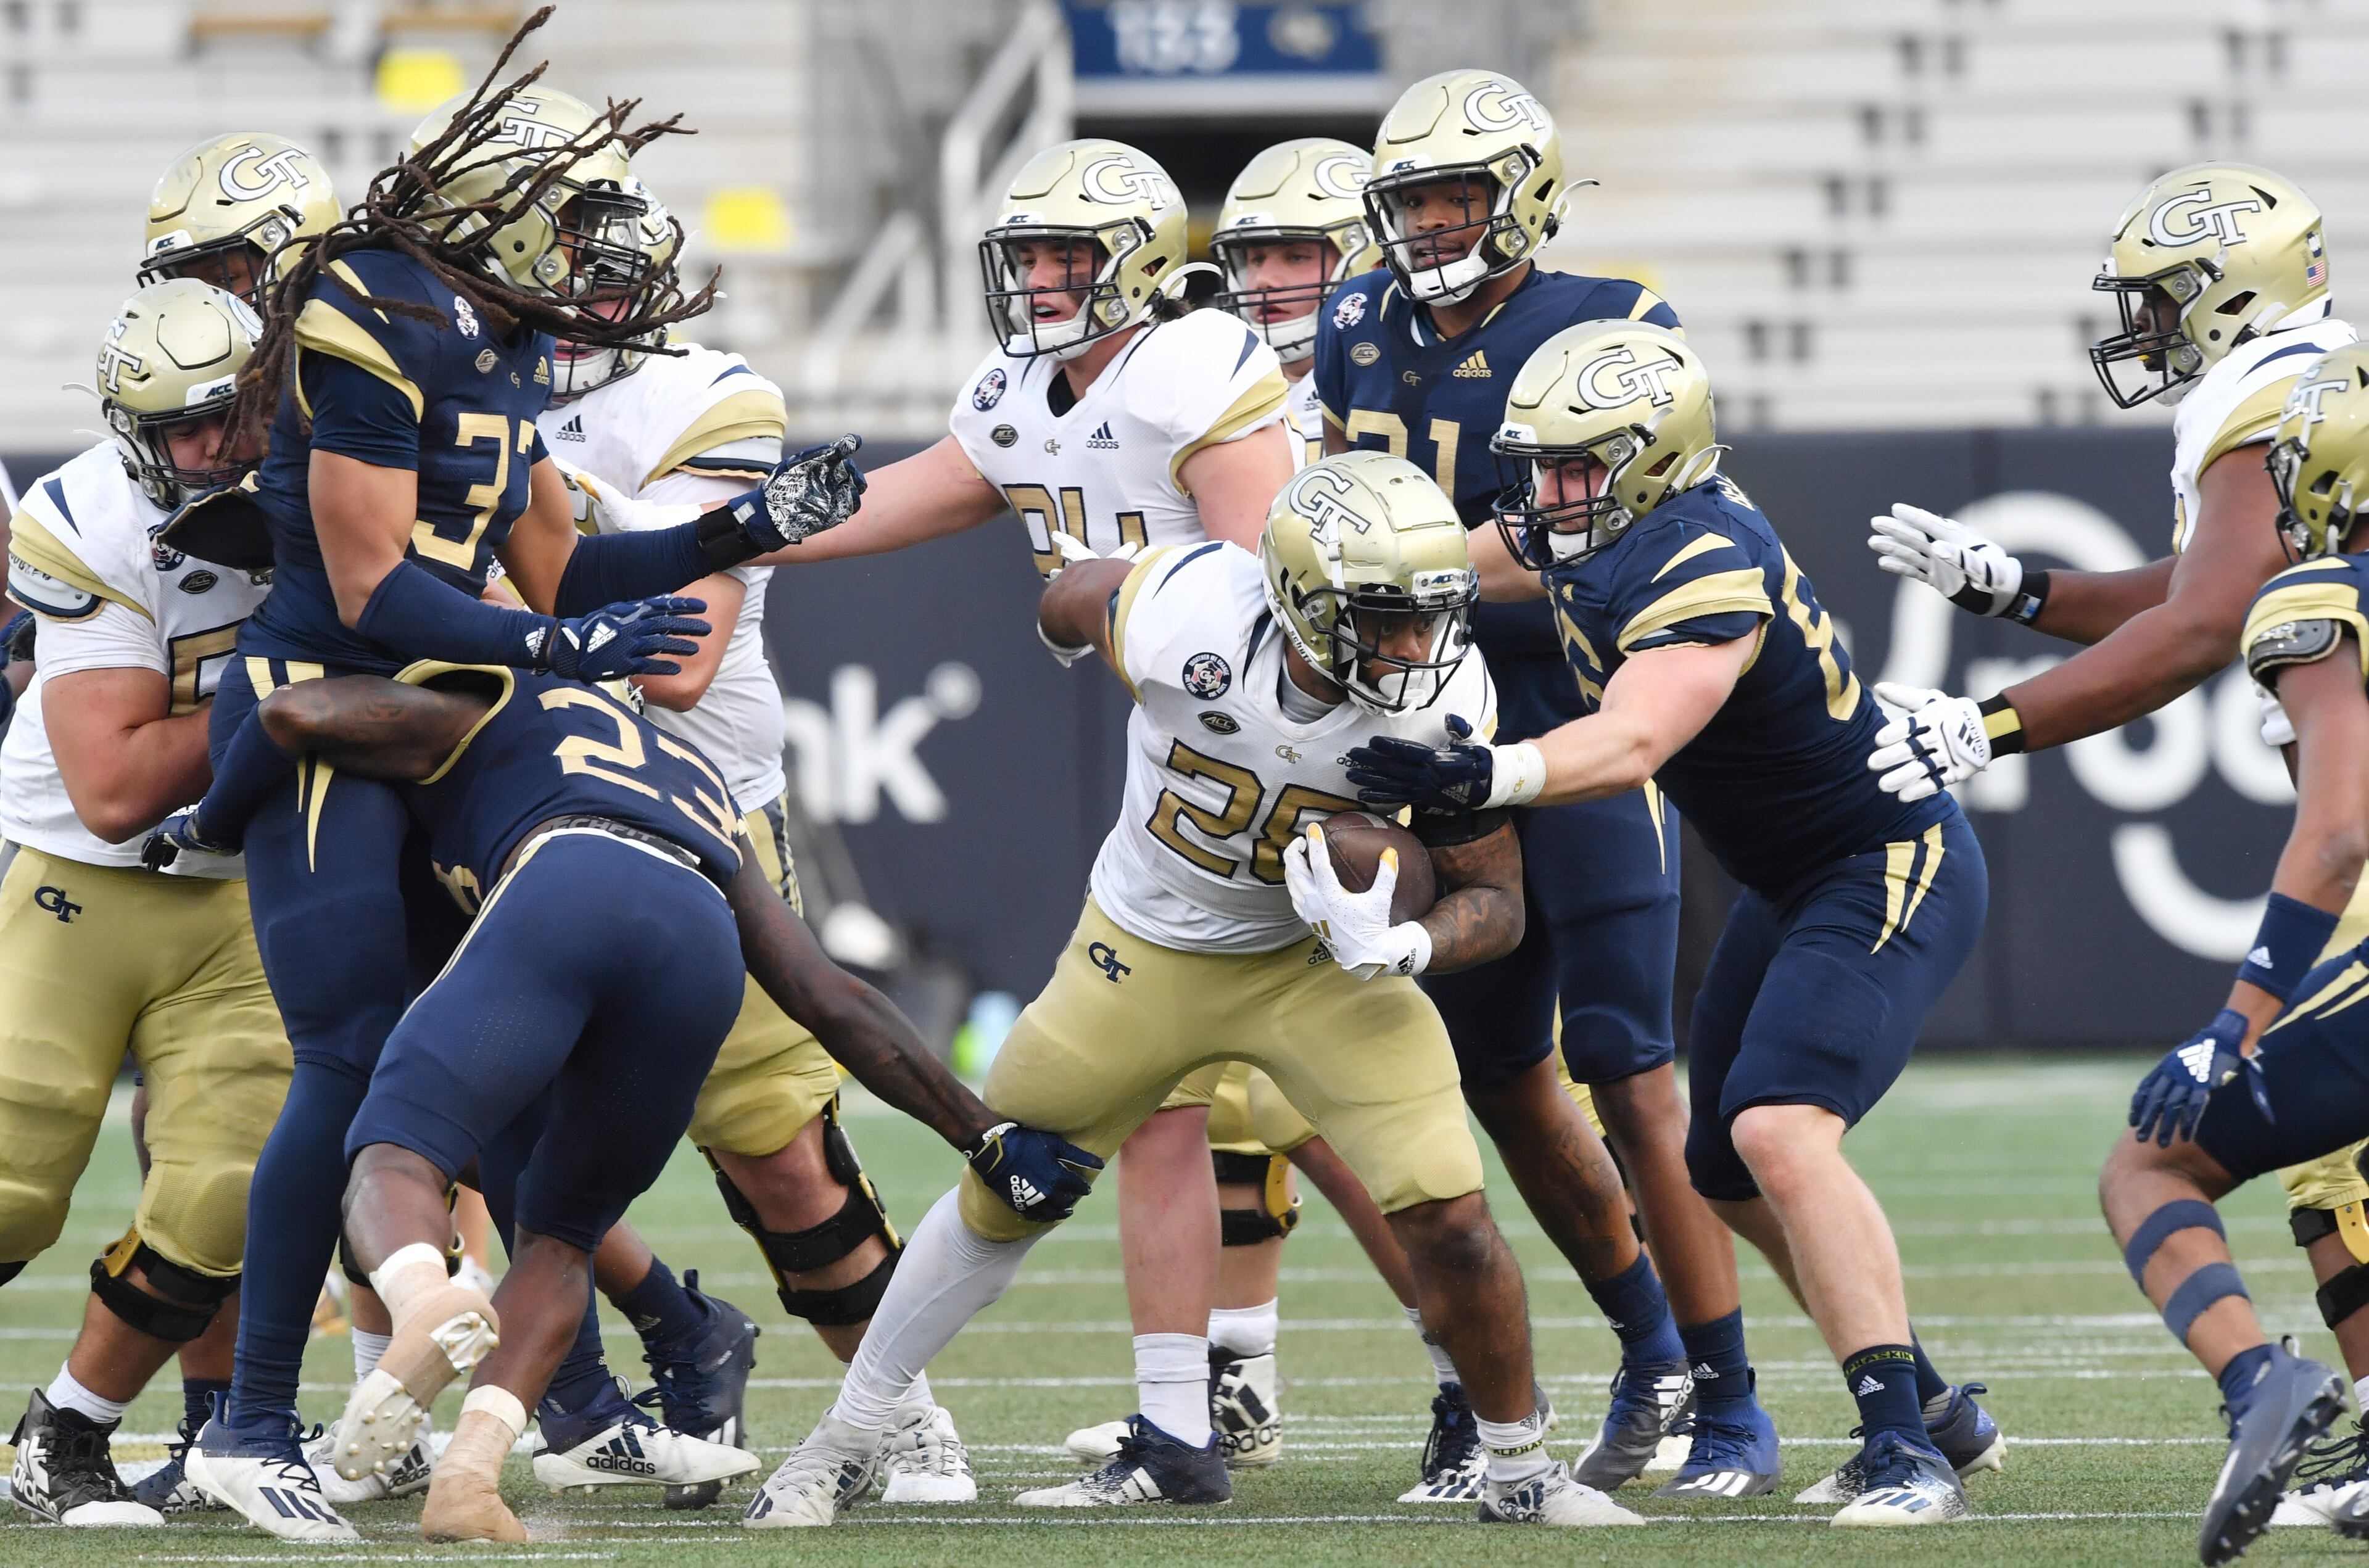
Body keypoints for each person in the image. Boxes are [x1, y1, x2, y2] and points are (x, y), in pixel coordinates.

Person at [166, 40, 862, 1538]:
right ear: (498, 210)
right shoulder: (361, 307)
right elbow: (369, 589)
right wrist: (557, 642)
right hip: (329, 713)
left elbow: (558, 566)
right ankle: (251, 1420)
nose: (592, 248)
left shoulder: (488, 341)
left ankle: (573, 1390)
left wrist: (728, 533)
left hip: (438, 720)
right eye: (570, 213)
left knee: (477, 1082)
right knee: (353, 1060)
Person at [745, 452, 1641, 1528]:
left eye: (1429, 617)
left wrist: (1403, 943)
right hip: (1148, 947)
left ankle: (1517, 1468)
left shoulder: (1441, 692)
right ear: (1305, 601)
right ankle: (848, 1435)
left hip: (1320, 967)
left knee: (1450, 1211)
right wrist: (1068, 628)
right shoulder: (1188, 612)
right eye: (1387, 619)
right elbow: (1073, 595)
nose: (1416, 648)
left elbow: (1495, 899)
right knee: (1008, 1184)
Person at [152, 659, 1096, 1542]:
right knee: (561, 1234)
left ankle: (427, 1297)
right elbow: (828, 995)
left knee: (393, 1143)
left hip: (567, 884)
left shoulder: (495, 698)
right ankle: (469, 1476)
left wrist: (218, 813)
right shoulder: (696, 777)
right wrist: (984, 1135)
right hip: (697, 947)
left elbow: (296, 711)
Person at [1350, 321, 1991, 1524]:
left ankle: (1906, 1448)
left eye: (1574, 469)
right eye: (1539, 468)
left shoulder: (1703, 550)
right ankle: (1933, 1400)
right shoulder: (1601, 525)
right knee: (1719, 1164)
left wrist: (1486, 773)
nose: (1547, 497)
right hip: (1790, 877)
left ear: (1652, 462)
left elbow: (1638, 736)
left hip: (1884, 854)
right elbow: (1444, 563)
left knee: (1780, 1129)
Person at [755, 136, 1324, 1478]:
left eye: (1069, 256)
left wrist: (1120, 602)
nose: (1043, 280)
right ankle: (1188, 1416)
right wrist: (712, 527)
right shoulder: (1026, 389)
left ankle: (1473, 1388)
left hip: (1282, 755)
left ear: (1132, 261)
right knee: (1184, 1096)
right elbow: (900, 497)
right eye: (1028, 257)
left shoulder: (1189, 366)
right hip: (1187, 765)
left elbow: (1269, 580)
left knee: (1362, 1105)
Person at [1863, 160, 2363, 1520]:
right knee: (2336, 1164)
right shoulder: (2323, 394)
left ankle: (2298, 1404)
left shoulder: (2276, 407)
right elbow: (2205, 586)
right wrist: (2020, 587)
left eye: (2160, 303)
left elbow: (2210, 624)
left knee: (2194, 1158)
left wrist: (1990, 728)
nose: (2142, 329)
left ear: (2228, 296)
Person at [1316, 67, 1764, 1496]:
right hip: (1432, 728)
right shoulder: (1356, 323)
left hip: (1575, 716)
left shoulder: (1611, 325)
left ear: (1525, 198)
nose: (1430, 228)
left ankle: (1734, 1395)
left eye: (1457, 197)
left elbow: (1604, 523)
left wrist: (1414, 564)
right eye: (1410, 202)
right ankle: (1651, 1355)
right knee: (1505, 1076)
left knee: (1632, 1072)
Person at [532, 186, 970, 1503]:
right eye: (539, 274)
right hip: (501, 807)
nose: (564, 306)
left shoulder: (707, 398)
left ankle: (899, 1409)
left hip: (691, 803)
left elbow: (677, 655)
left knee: (773, 1141)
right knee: (442, 1119)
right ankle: (562, 1399)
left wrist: (505, 559)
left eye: (597, 282)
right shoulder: (449, 382)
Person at [1057, 135, 1463, 1486]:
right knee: (1216, 1101)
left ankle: (1479, 1373)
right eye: (1255, 256)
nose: (1277, 281)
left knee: (1355, 1111)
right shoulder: (1214, 372)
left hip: (1388, 757)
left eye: (1307, 252)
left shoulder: (1387, 375)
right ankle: (1231, 1375)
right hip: (1237, 739)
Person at [0, 281, 287, 1526]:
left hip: (246, 888)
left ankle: (67, 1429)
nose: (225, 447)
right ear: (136, 433)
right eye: (192, 428)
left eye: (243, 416)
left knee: (230, 1183)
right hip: (83, 877)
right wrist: (289, 683)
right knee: (12, 1172)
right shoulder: (91, 517)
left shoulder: (335, 477)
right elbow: (114, 788)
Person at [2091, 344, 2369, 1566]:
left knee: (2151, 1167)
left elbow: (2342, 823)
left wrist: (2239, 1013)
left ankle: (2263, 1384)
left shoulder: (2323, 601)